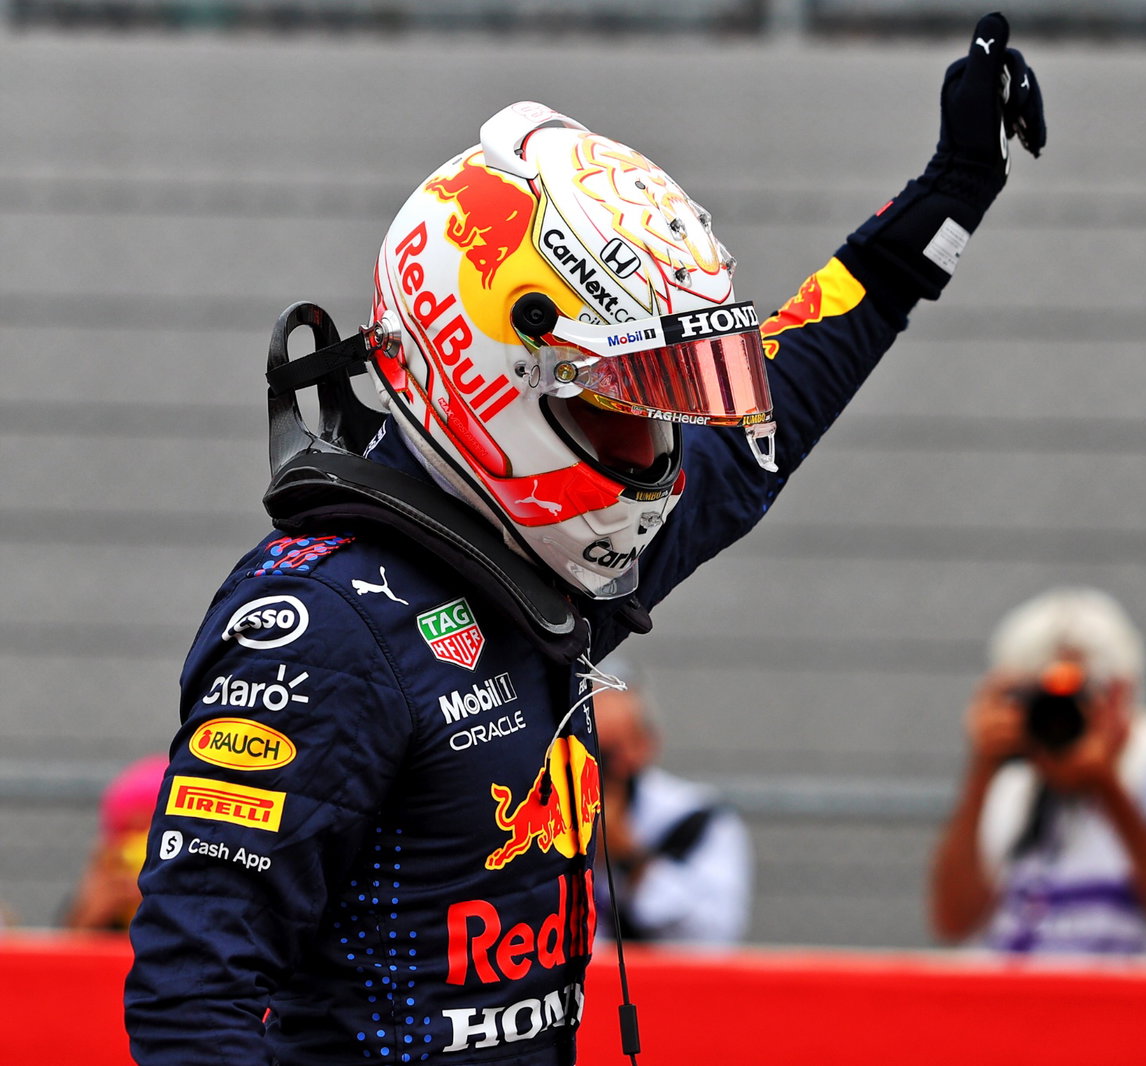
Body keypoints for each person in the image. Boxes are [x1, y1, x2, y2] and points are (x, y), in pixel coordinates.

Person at [124, 14, 1044, 1065]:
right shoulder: (317, 629)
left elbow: (775, 402)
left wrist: (953, 188)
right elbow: (192, 997)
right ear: (485, 367)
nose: (657, 446)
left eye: (668, 401)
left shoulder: (538, 555)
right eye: (623, 398)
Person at [929, 587, 1146, 956]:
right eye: (1037, 698)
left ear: (1120, 693)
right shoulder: (1019, 782)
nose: (1056, 716)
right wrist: (981, 770)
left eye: (1073, 696)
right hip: (1023, 1009)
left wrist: (1107, 789)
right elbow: (953, 920)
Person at [589, 660, 751, 945]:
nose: (594, 769)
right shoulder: (538, 819)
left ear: (646, 744)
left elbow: (714, 937)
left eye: (606, 753)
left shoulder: (695, 818)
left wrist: (628, 858)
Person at [62, 754, 168, 932]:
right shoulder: (106, 882)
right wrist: (96, 910)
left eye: (147, 832)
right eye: (128, 832)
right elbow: (67, 950)